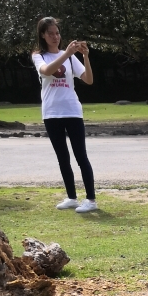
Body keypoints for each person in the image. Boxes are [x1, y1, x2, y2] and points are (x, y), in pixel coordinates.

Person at [31, 17, 98, 213]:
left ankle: (91, 200)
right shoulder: (38, 55)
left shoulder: (68, 56)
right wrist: (67, 52)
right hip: (51, 113)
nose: (55, 37)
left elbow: (88, 79)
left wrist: (85, 56)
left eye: (57, 33)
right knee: (63, 157)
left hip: (72, 111)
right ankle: (71, 197)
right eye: (50, 33)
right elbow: (46, 71)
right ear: (43, 35)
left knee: (81, 156)